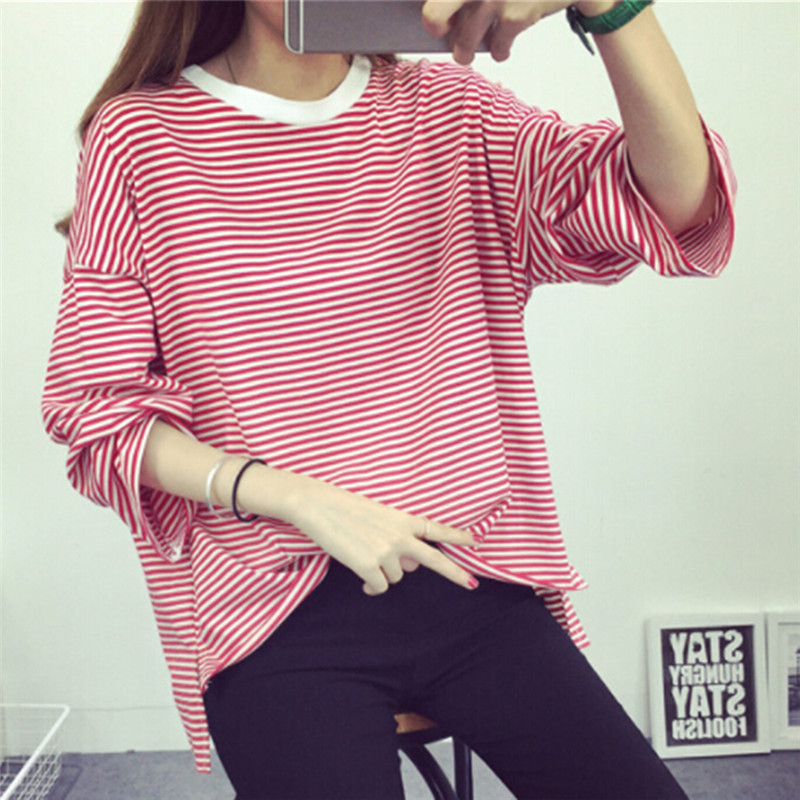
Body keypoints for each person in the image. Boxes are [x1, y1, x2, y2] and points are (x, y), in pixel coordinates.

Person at [43, 1, 735, 797]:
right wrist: (298, 497)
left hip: (471, 578)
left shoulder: (452, 113)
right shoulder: (141, 138)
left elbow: (677, 203)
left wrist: (610, 5)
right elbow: (97, 411)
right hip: (275, 611)